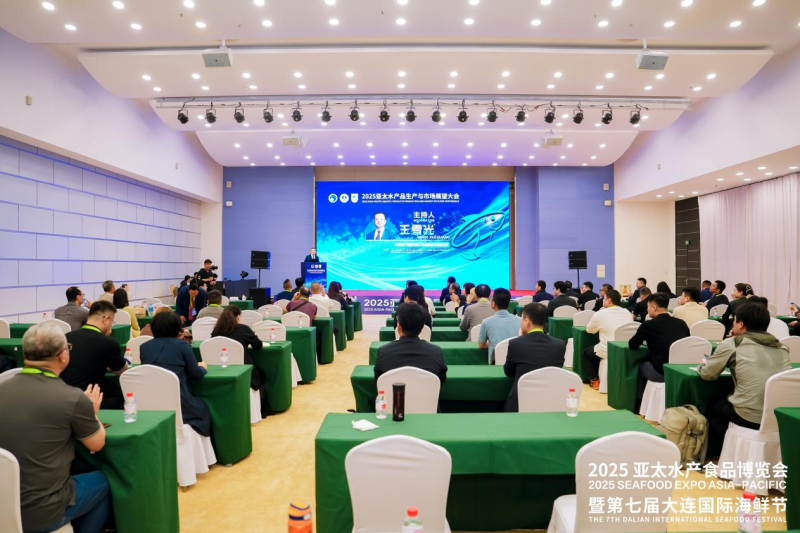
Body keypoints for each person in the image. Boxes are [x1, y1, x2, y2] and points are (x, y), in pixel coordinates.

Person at [0, 324, 110, 533]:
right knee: (103, 481)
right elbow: (96, 444)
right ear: (63, 356)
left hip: (3, 503)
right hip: (43, 512)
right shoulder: (72, 397)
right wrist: (93, 413)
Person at [699, 302, 791, 446]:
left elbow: (708, 374)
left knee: (711, 407)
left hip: (749, 417)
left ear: (741, 324)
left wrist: (703, 364)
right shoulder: (782, 347)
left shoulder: (733, 344)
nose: (733, 323)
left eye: (735, 320)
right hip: (780, 415)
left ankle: (732, 448)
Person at [140, 312, 212, 436]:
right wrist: (203, 367)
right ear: (176, 328)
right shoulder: (182, 346)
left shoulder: (144, 347)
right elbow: (195, 374)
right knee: (204, 408)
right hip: (180, 402)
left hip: (151, 401)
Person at [59, 301, 128, 410]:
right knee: (125, 399)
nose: (111, 325)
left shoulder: (66, 337)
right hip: (88, 400)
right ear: (106, 320)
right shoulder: (108, 343)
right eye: (112, 321)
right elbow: (120, 370)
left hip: (62, 398)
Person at [628, 293, 690, 410]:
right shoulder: (681, 323)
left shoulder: (648, 325)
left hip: (661, 372)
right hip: (680, 371)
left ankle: (639, 404)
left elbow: (632, 345)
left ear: (654, 307)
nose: (647, 310)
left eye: (648, 307)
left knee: (638, 366)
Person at [503, 303, 566, 412]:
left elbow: (509, 372)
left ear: (527, 320)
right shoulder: (559, 344)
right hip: (551, 399)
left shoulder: (516, 343)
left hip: (520, 401)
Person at [211, 306, 268, 417]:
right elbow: (258, 345)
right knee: (260, 374)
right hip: (242, 369)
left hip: (220, 369)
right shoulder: (243, 329)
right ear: (238, 317)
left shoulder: (216, 331)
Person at [374, 302, 447, 385]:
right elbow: (441, 380)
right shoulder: (436, 351)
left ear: (399, 327)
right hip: (426, 393)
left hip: (394, 393)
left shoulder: (383, 351)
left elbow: (378, 381)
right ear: (422, 327)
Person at [582, 290, 633, 390]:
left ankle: (594, 380)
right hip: (625, 348)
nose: (602, 300)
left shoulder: (600, 313)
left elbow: (589, 330)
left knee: (586, 354)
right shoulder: (627, 312)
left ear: (609, 300)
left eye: (604, 298)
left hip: (607, 349)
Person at [478, 288, 522, 363]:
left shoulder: (486, 322)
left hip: (495, 362)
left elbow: (481, 345)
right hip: (516, 362)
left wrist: (496, 344)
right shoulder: (520, 320)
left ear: (493, 303)